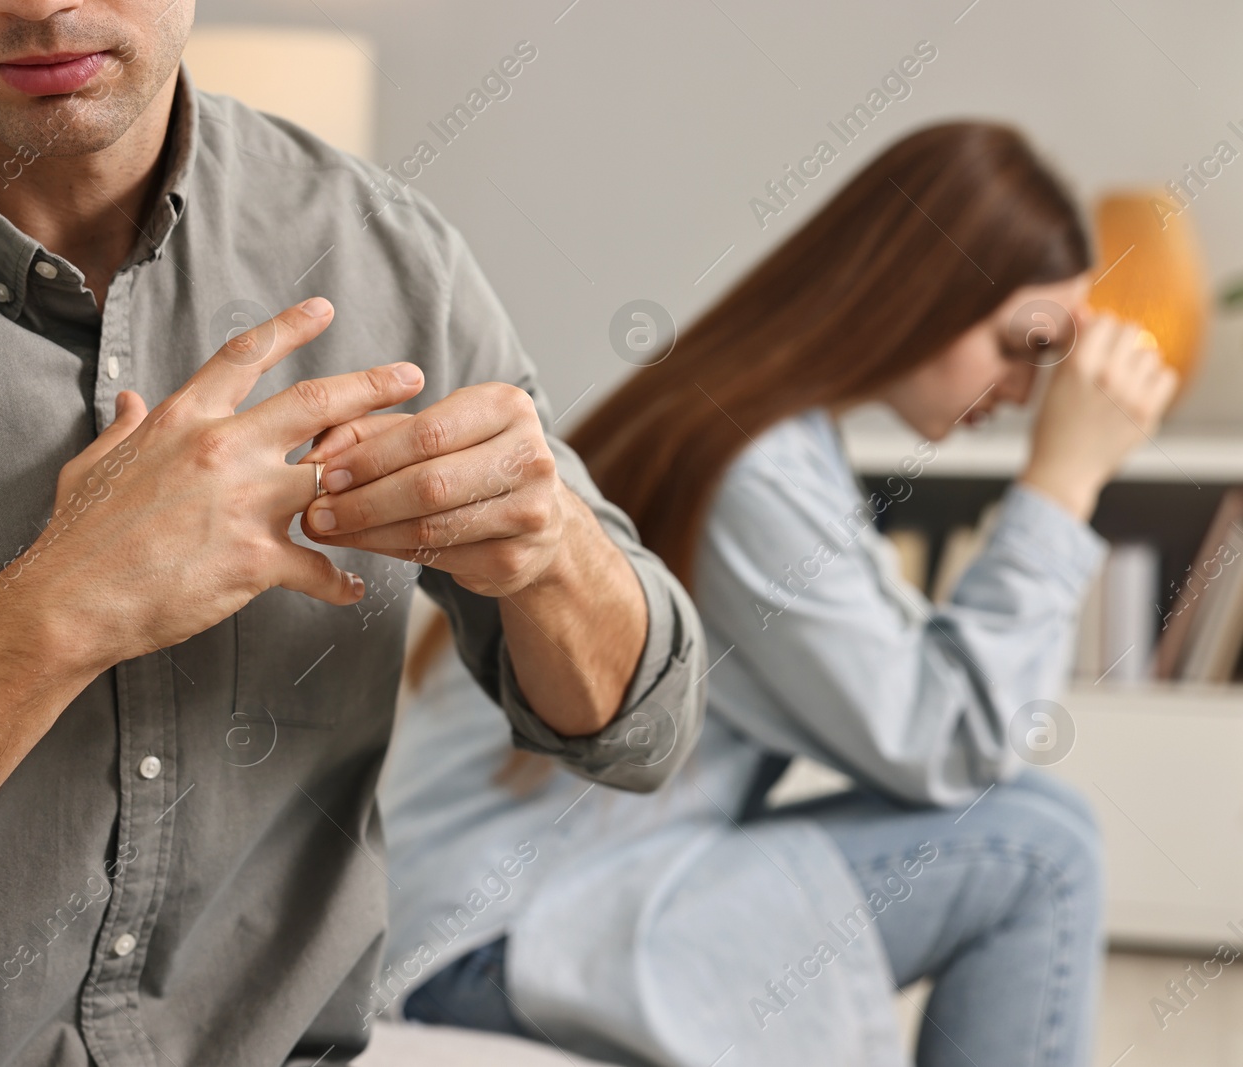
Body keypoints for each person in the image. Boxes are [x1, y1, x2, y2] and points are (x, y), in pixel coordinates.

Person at [0, 4, 710, 1065]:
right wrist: (58, 607)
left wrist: (557, 550)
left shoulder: (387, 252)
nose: (47, 4)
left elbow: (645, 729)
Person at [373, 122, 1178, 1067]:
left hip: (533, 907)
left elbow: (940, 714)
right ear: (922, 291)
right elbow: (945, 744)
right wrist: (1063, 484)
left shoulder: (766, 439)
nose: (1027, 387)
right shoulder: (751, 471)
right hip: (490, 940)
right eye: (1020, 343)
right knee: (1042, 848)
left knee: (1042, 830)